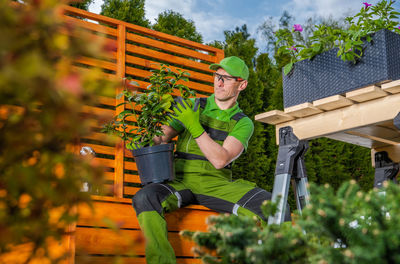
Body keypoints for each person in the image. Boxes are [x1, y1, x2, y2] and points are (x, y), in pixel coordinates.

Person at [132, 56, 290, 264]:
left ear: (242, 84)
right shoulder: (193, 106)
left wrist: (194, 126)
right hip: (180, 180)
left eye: (226, 78)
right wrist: (142, 129)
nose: (219, 82)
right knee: (145, 198)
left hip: (216, 184)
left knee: (275, 207)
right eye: (217, 76)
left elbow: (220, 160)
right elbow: (161, 137)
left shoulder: (242, 123)